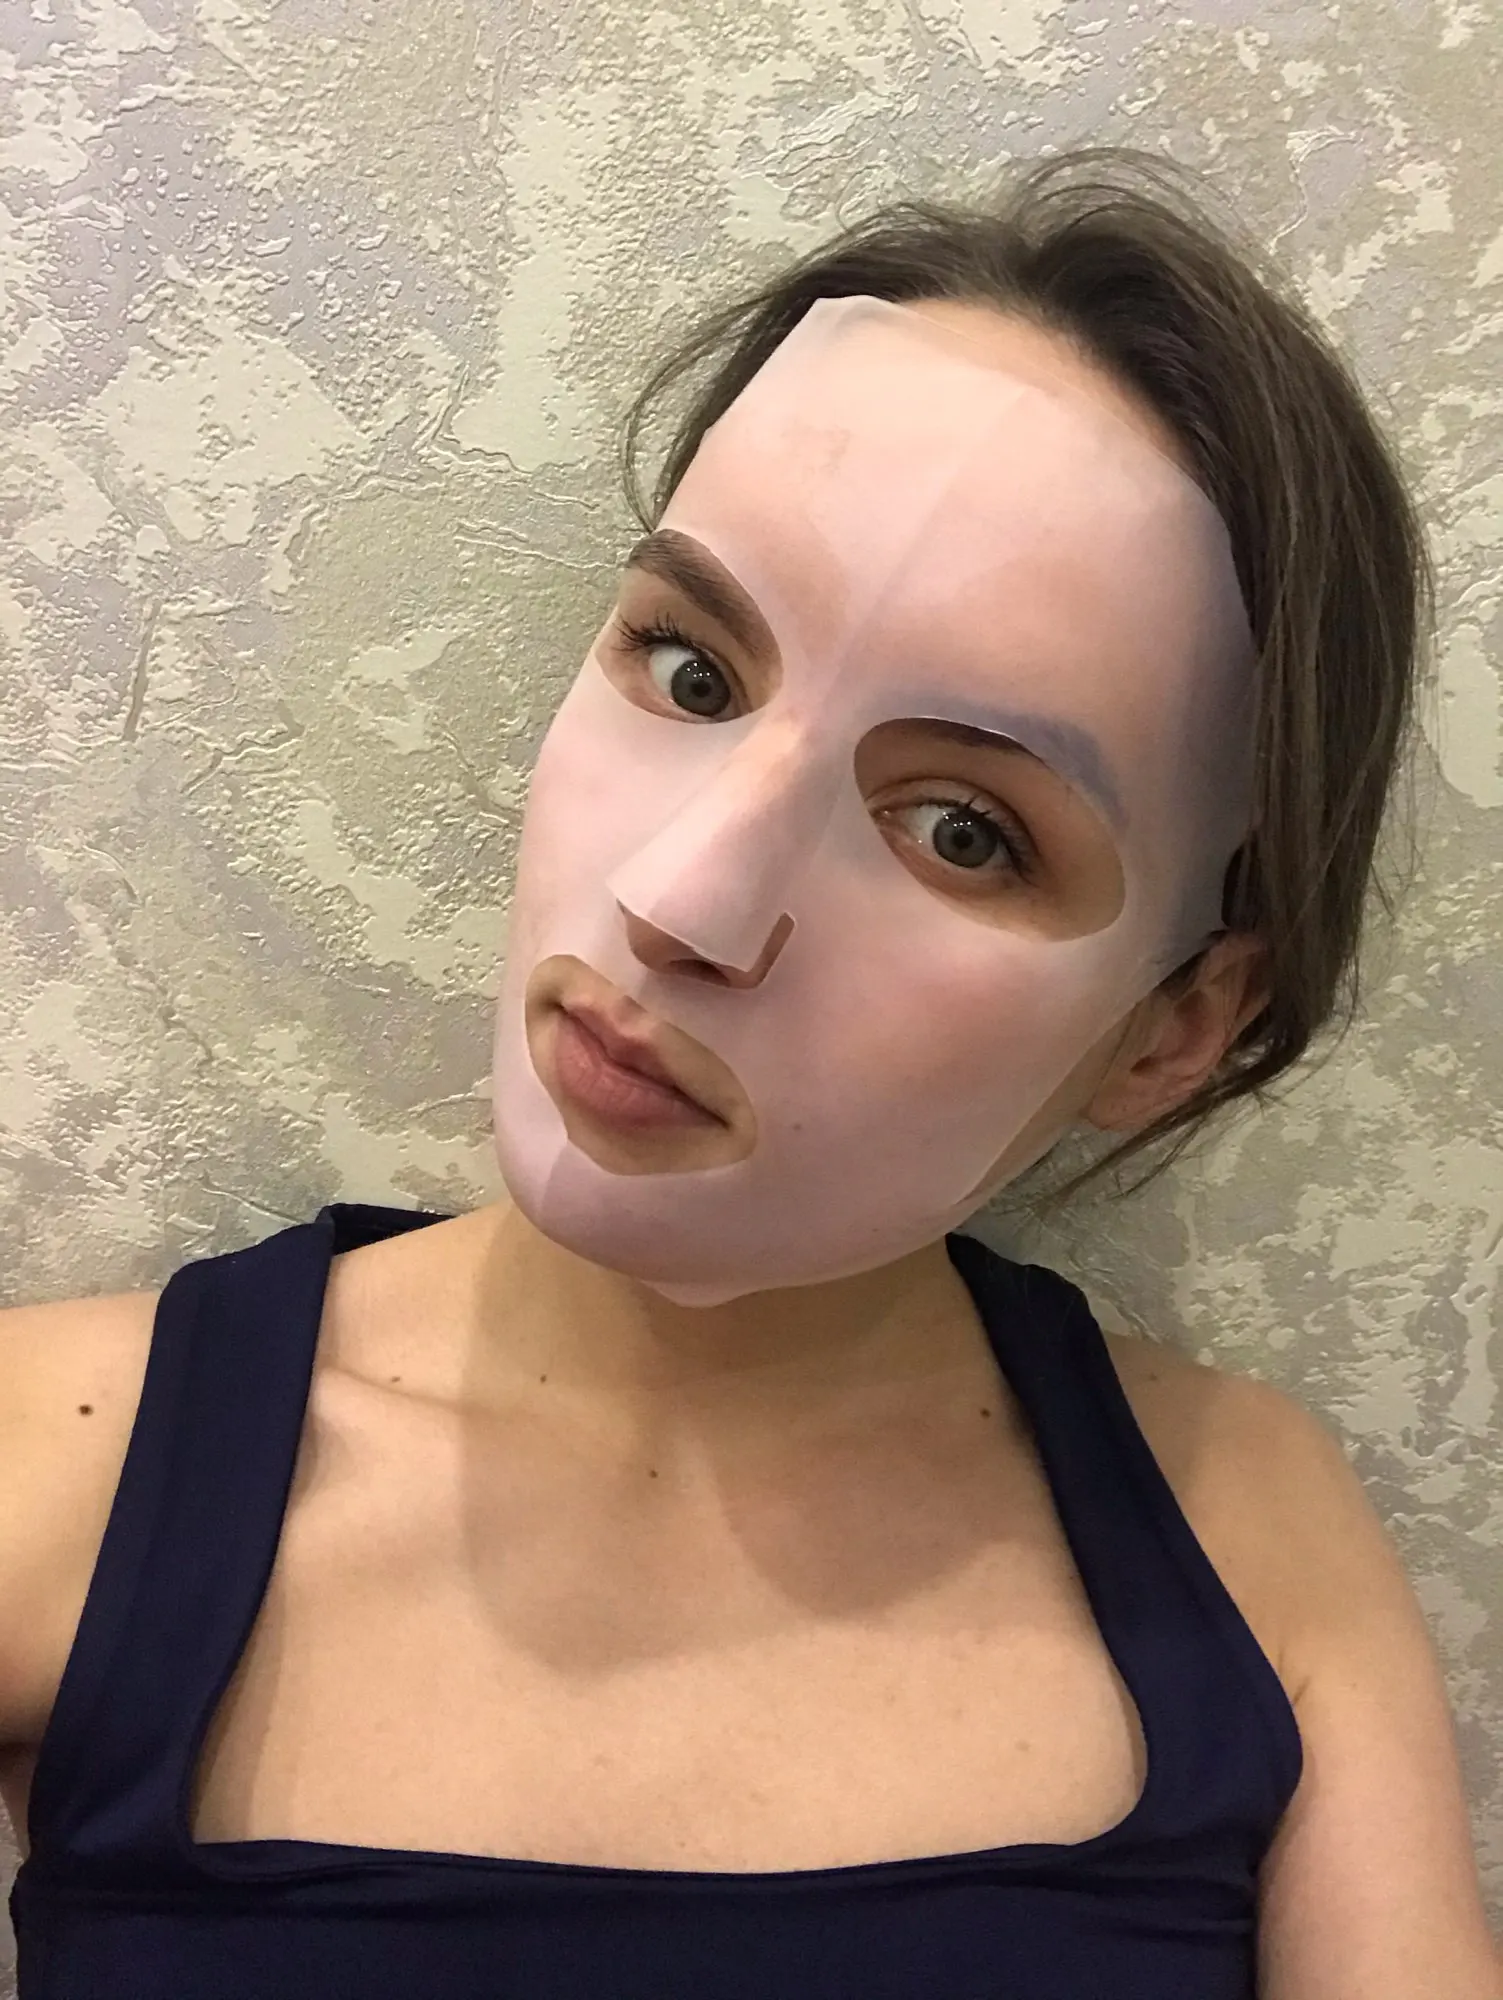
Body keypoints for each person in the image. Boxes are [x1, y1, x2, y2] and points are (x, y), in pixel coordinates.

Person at [0, 148, 1497, 2000]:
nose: (682, 902)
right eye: (691, 672)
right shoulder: (56, 1456)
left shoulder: (1238, 1529)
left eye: (961, 831)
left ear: (1173, 1027)